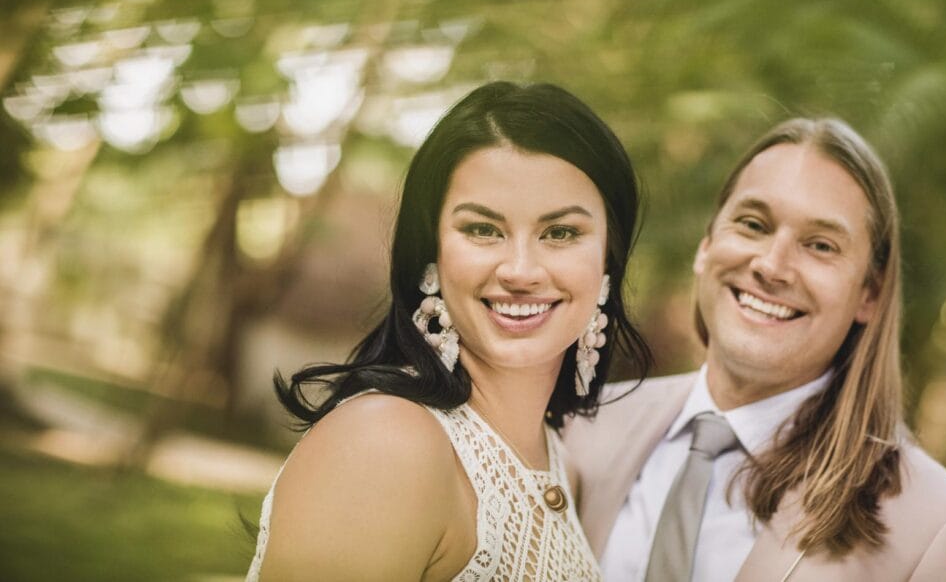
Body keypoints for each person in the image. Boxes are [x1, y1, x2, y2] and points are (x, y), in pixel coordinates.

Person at [245, 81, 653, 581]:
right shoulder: (384, 443)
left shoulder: (565, 470)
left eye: (560, 233)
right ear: (431, 254)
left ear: (607, 264)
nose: (520, 271)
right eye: (483, 229)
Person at [565, 118, 946, 581]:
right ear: (707, 245)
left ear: (870, 294)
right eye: (753, 224)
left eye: (820, 245)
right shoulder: (583, 427)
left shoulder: (941, 526)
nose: (771, 265)